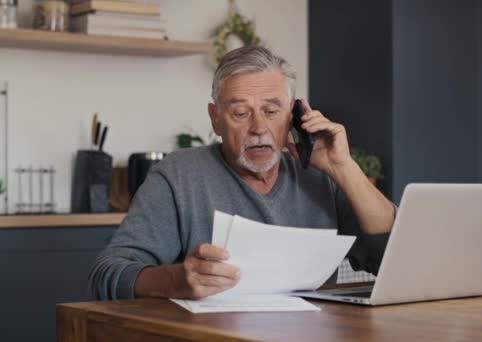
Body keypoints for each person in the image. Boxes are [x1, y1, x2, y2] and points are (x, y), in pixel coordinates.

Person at [89, 46, 395, 300]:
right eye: (240, 113)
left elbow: (393, 260)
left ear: (293, 116)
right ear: (216, 119)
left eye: (272, 111)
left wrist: (344, 168)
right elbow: (108, 274)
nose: (259, 128)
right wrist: (176, 280)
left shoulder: (322, 175)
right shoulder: (178, 176)